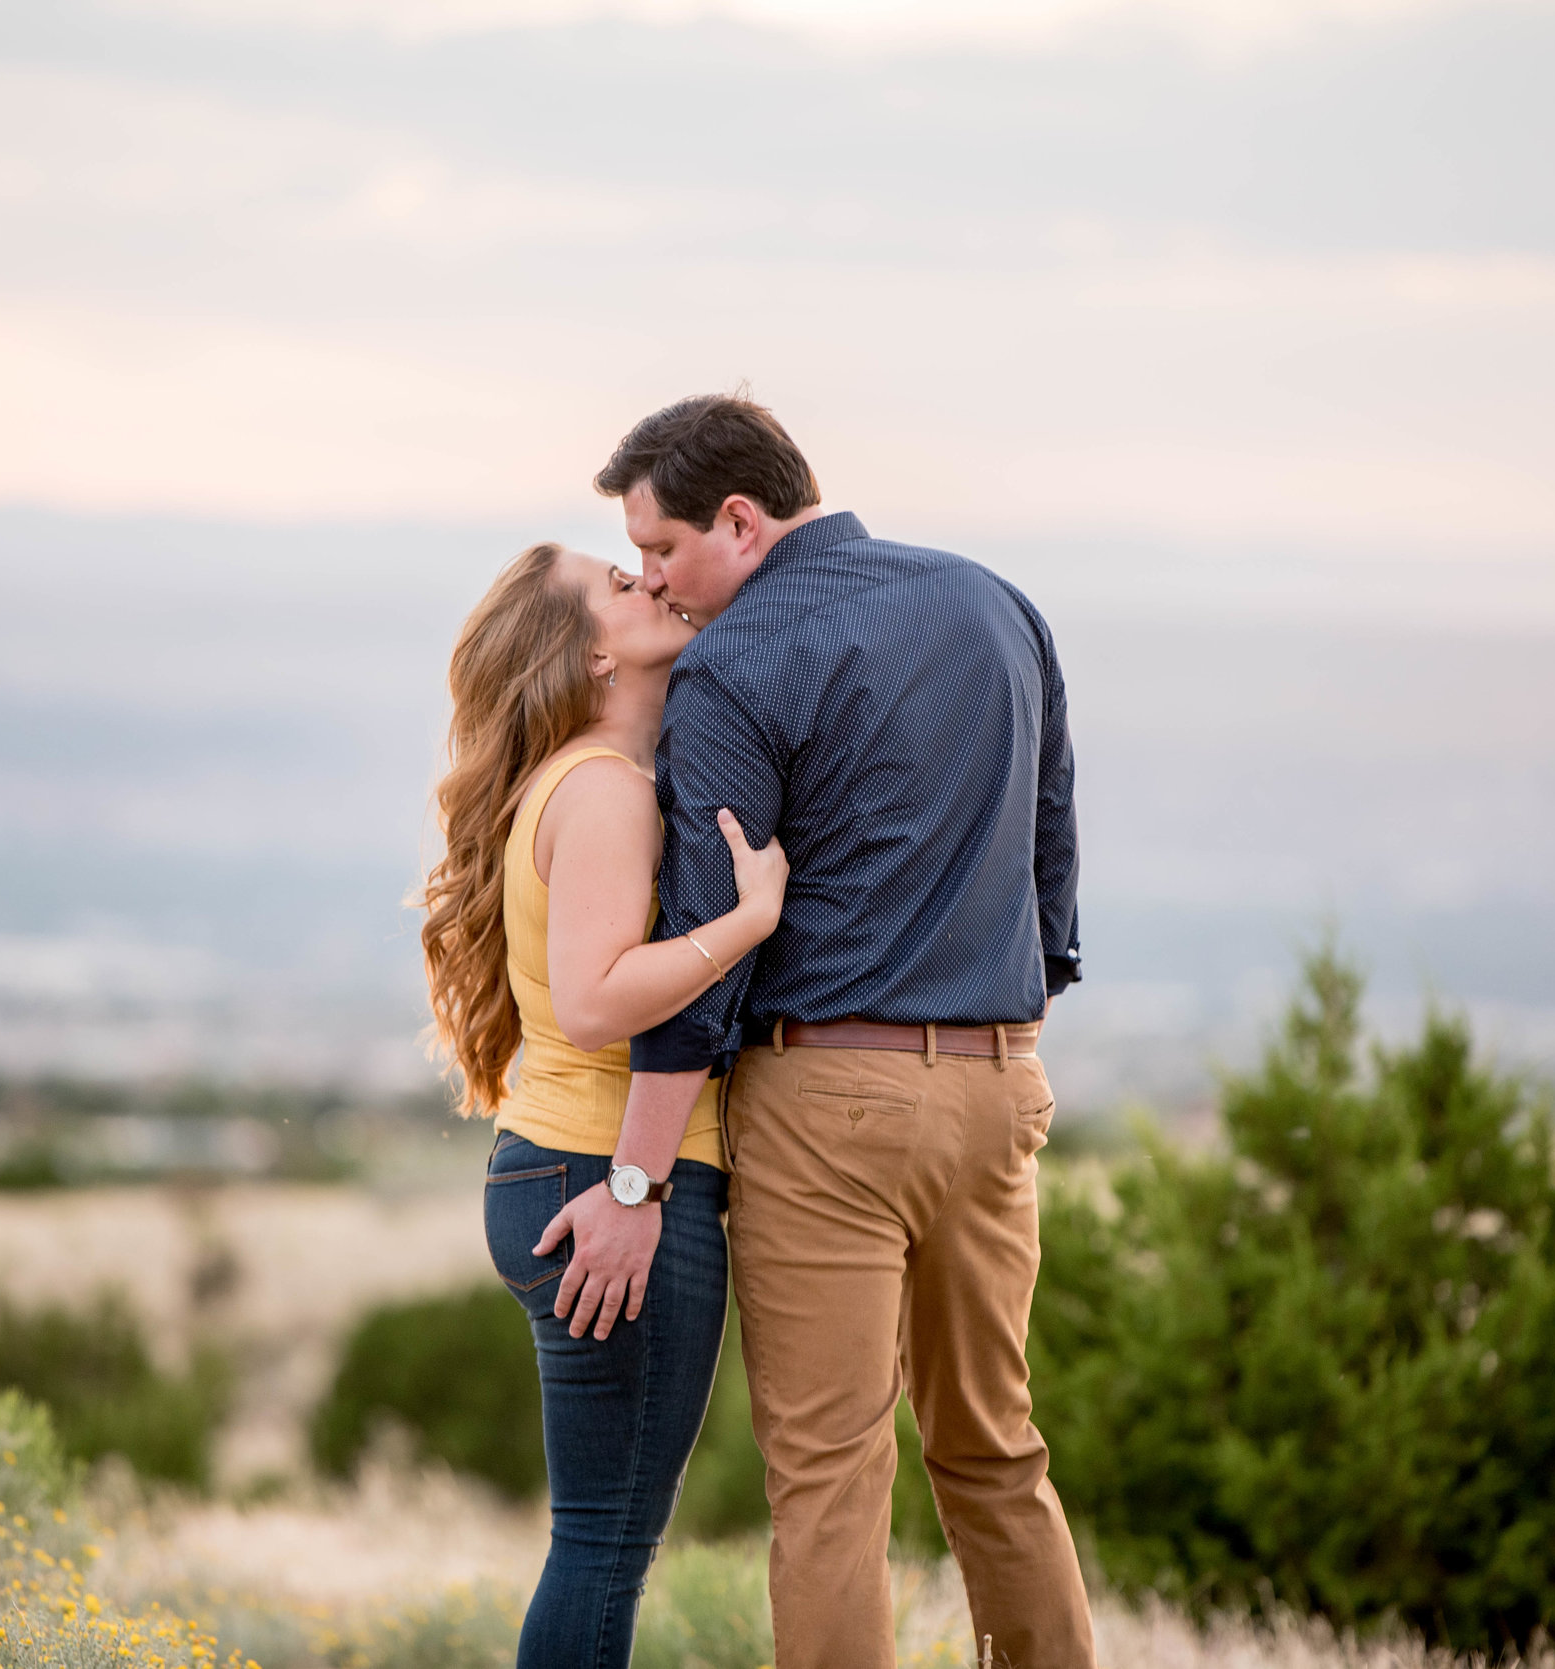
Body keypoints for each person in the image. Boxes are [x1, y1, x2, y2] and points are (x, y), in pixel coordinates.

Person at [593, 395, 1095, 1669]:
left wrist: (638, 1174)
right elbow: (1053, 863)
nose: (652, 580)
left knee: (827, 1480)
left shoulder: (733, 663)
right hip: (1001, 1088)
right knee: (996, 1449)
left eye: (660, 550)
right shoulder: (997, 603)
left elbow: (706, 949)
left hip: (825, 1103)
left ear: (741, 521)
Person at [419, 540, 789, 1669]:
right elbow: (593, 1001)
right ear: (588, 653)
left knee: (600, 1539)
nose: (649, 583)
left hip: (564, 1168)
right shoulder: (606, 791)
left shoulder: (579, 784)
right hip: (608, 1184)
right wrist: (745, 922)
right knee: (603, 1545)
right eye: (619, 586)